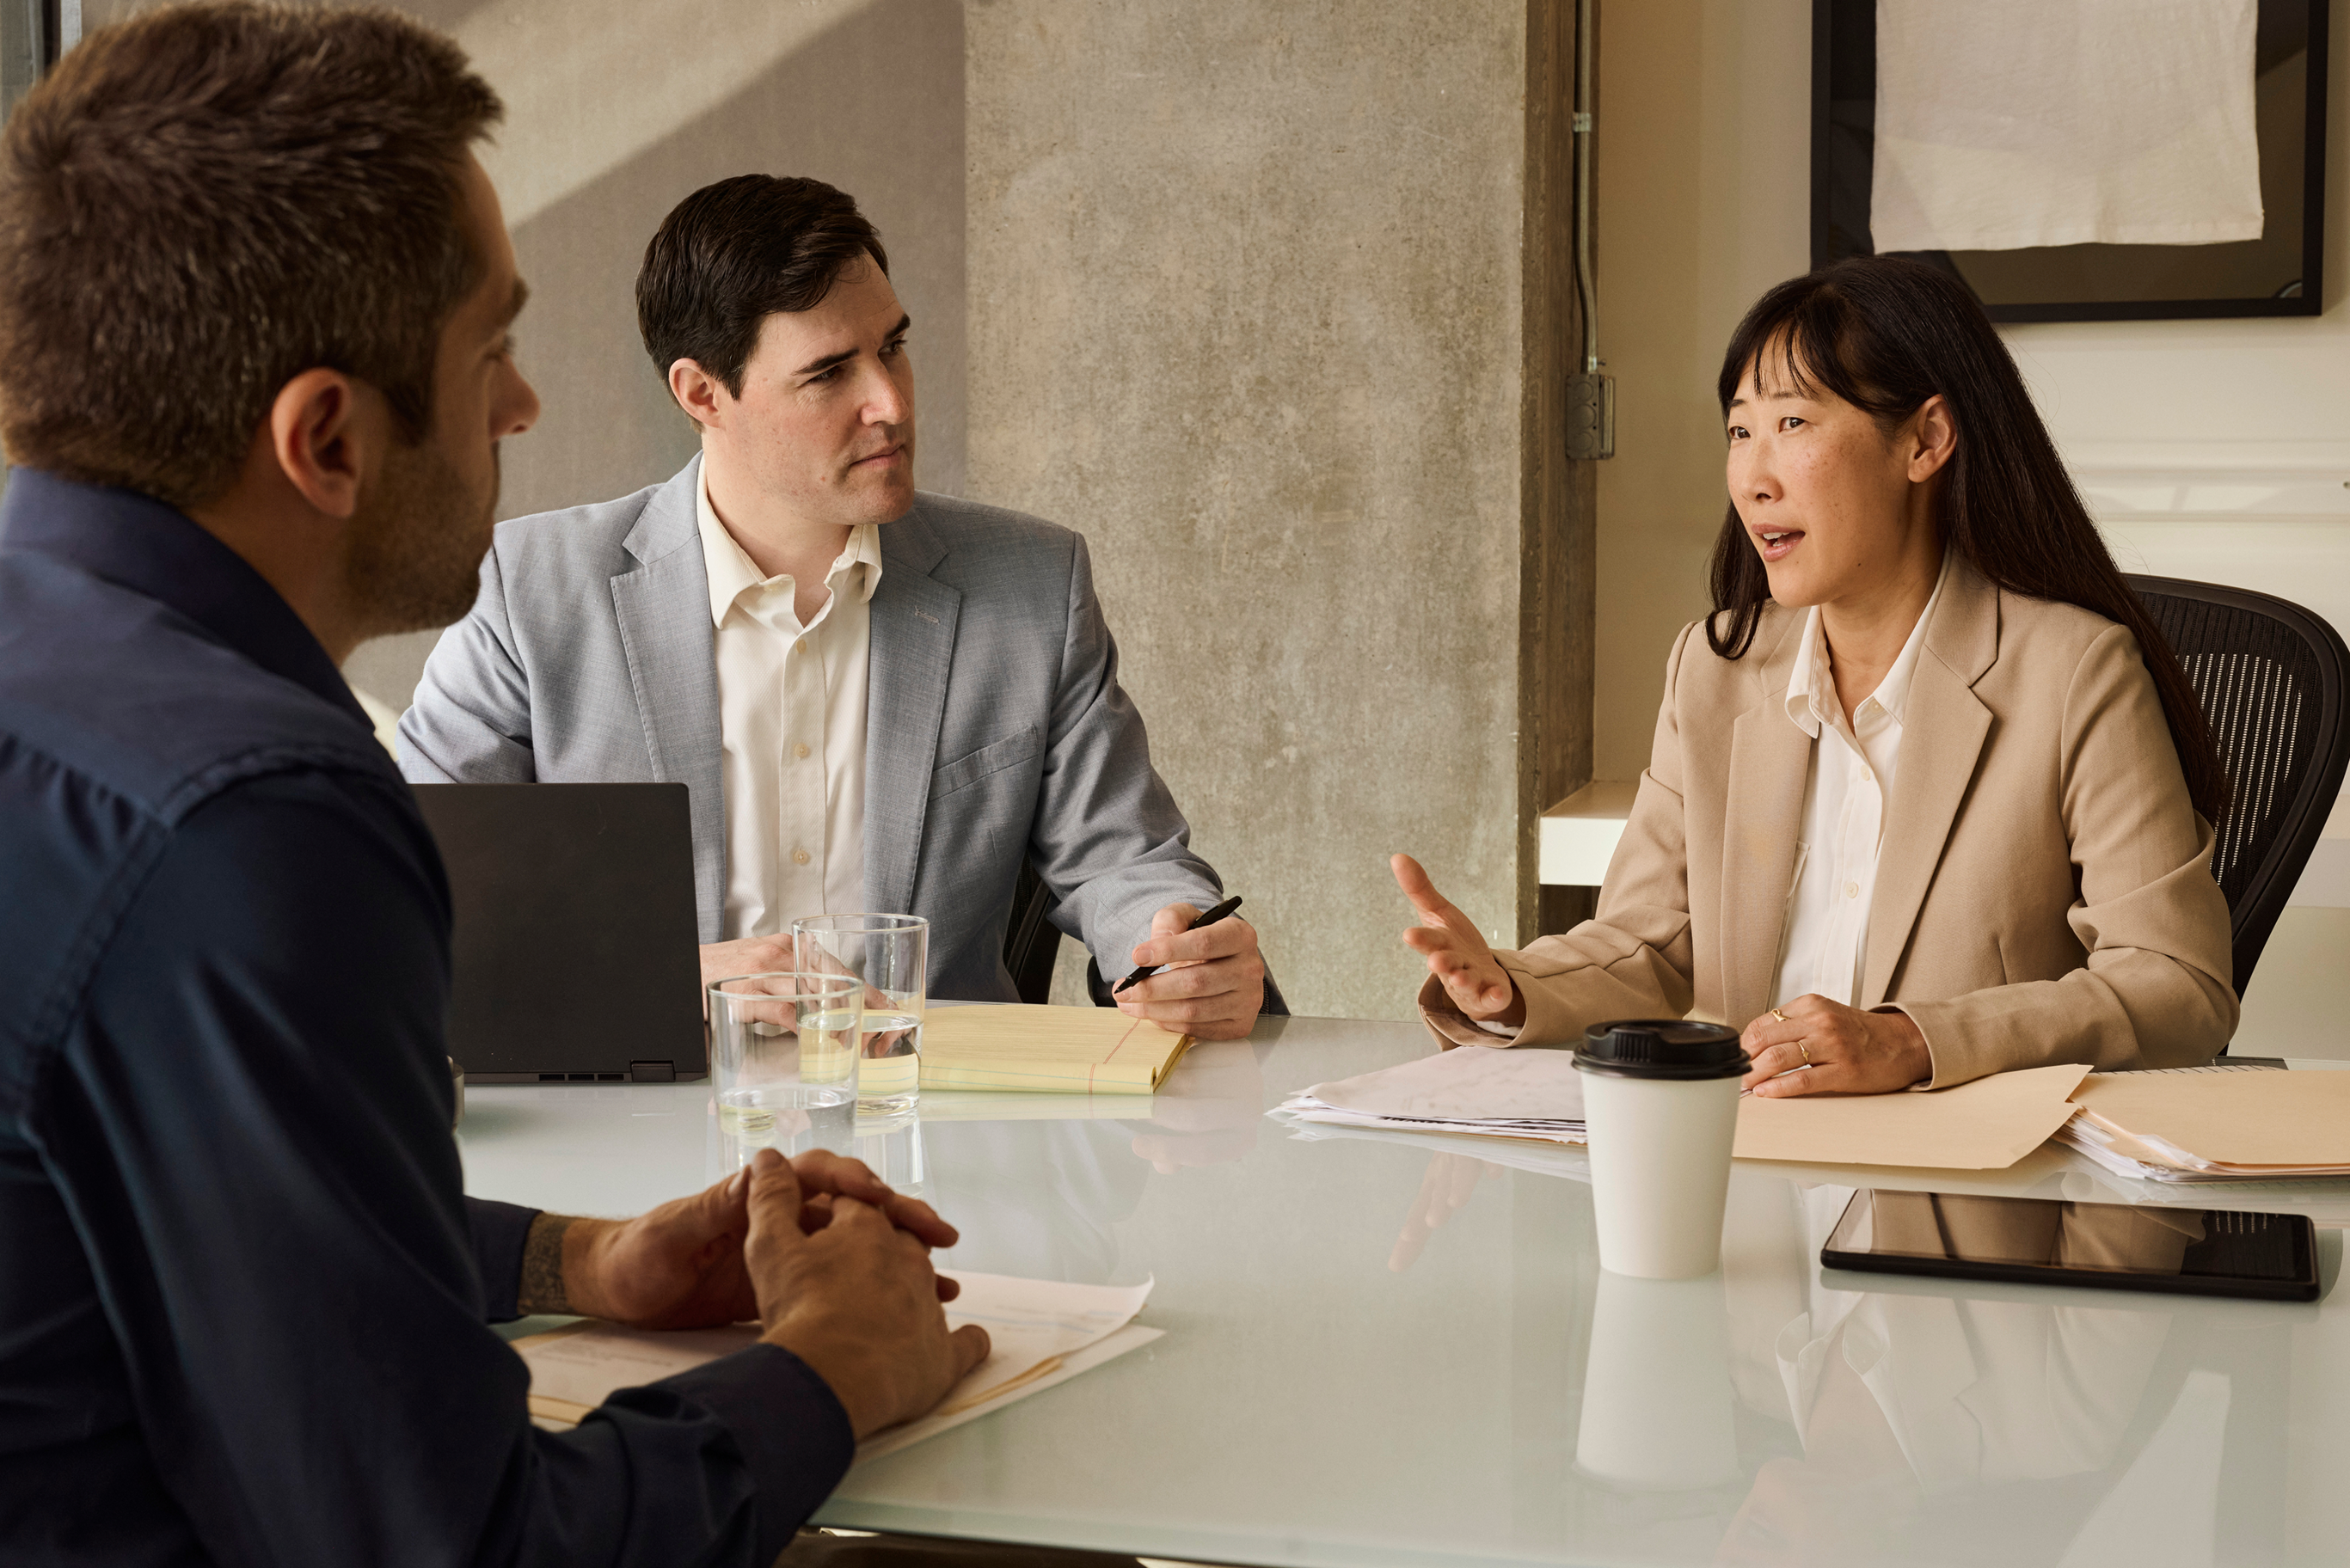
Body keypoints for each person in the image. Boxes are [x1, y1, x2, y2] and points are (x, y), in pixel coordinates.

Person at [0, 8, 986, 1564]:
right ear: (327, 440)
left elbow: (185, 1222)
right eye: (491, 351)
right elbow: (460, 1544)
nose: (522, 406)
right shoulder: (252, 820)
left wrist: (573, 1259)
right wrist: (832, 1365)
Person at [396, 175, 1275, 1038]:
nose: (890, 402)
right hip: (642, 1107)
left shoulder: (1034, 583)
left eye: (892, 347)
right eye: (827, 373)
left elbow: (1125, 861)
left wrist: (1180, 947)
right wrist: (668, 980)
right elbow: (408, 901)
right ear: (701, 394)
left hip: (933, 1110)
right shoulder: (527, 590)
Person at [1393, 254, 2236, 1093]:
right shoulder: (1713, 667)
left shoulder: (2074, 671)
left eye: (1792, 423)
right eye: (1739, 432)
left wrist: (1913, 1041)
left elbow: (2176, 986)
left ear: (1925, 440)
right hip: (1747, 1152)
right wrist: (1510, 986)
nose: (1752, 480)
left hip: (1961, 1167)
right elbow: (1650, 941)